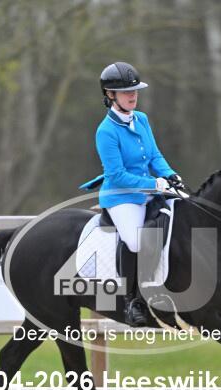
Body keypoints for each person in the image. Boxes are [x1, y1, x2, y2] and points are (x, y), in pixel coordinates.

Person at [79, 61, 186, 327]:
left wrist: (170, 175)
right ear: (110, 95)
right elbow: (116, 175)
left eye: (135, 90)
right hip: (121, 197)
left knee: (185, 215)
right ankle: (132, 301)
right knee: (136, 242)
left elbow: (155, 155)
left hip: (151, 189)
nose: (133, 95)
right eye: (126, 92)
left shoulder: (142, 119)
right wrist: (154, 184)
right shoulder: (105, 131)